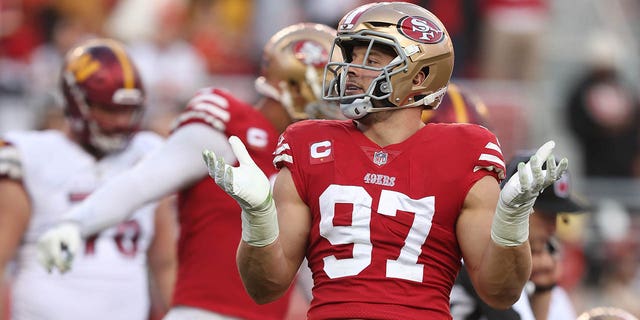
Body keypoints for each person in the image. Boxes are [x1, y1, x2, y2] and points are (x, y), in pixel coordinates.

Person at [202, 2, 568, 319]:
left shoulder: (466, 149)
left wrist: (512, 222)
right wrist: (258, 219)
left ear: (420, 76)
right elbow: (265, 287)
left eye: (371, 59)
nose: (353, 70)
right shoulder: (307, 142)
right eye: (351, 56)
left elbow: (499, 292)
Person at [35, 23, 340, 320]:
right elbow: (145, 180)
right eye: (328, 85)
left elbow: (307, 263)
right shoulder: (229, 127)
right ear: (295, 84)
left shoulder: (307, 155)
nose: (337, 97)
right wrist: (76, 223)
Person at [0, 38, 177, 320]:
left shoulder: (150, 153)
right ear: (74, 102)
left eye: (128, 110)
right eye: (110, 110)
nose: (121, 121)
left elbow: (165, 262)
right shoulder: (29, 156)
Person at [450, 152, 585, 320]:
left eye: (558, 217)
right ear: (517, 204)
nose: (554, 228)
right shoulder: (473, 256)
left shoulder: (547, 282)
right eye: (546, 216)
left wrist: (544, 289)